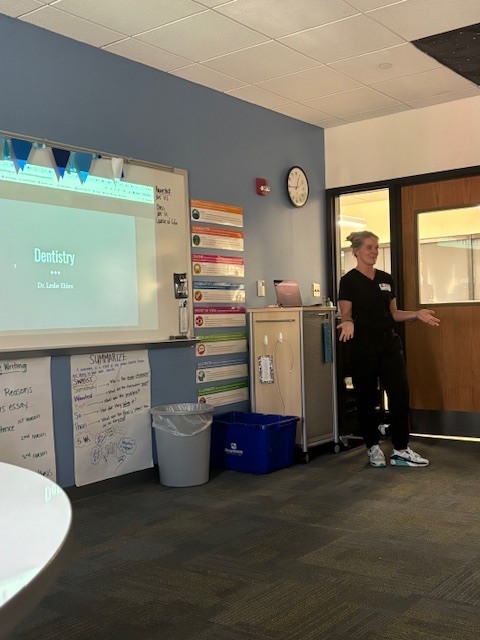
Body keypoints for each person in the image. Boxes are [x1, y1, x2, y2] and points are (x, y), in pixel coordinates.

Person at [337, 231, 440, 468]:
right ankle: (372, 447)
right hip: (363, 346)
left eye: (376, 247)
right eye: (368, 247)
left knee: (400, 394)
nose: (373, 251)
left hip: (388, 344)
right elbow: (346, 314)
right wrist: (349, 322)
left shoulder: (386, 278)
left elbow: (394, 313)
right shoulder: (349, 280)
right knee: (367, 397)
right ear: (356, 251)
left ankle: (401, 450)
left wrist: (416, 313)